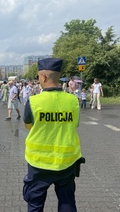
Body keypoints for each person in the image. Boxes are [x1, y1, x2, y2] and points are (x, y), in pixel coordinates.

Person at [23, 58, 83, 212]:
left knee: (35, 204)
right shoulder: (73, 101)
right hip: (66, 161)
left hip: (38, 164)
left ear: (43, 77)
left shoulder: (33, 101)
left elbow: (28, 125)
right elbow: (74, 124)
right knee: (67, 202)